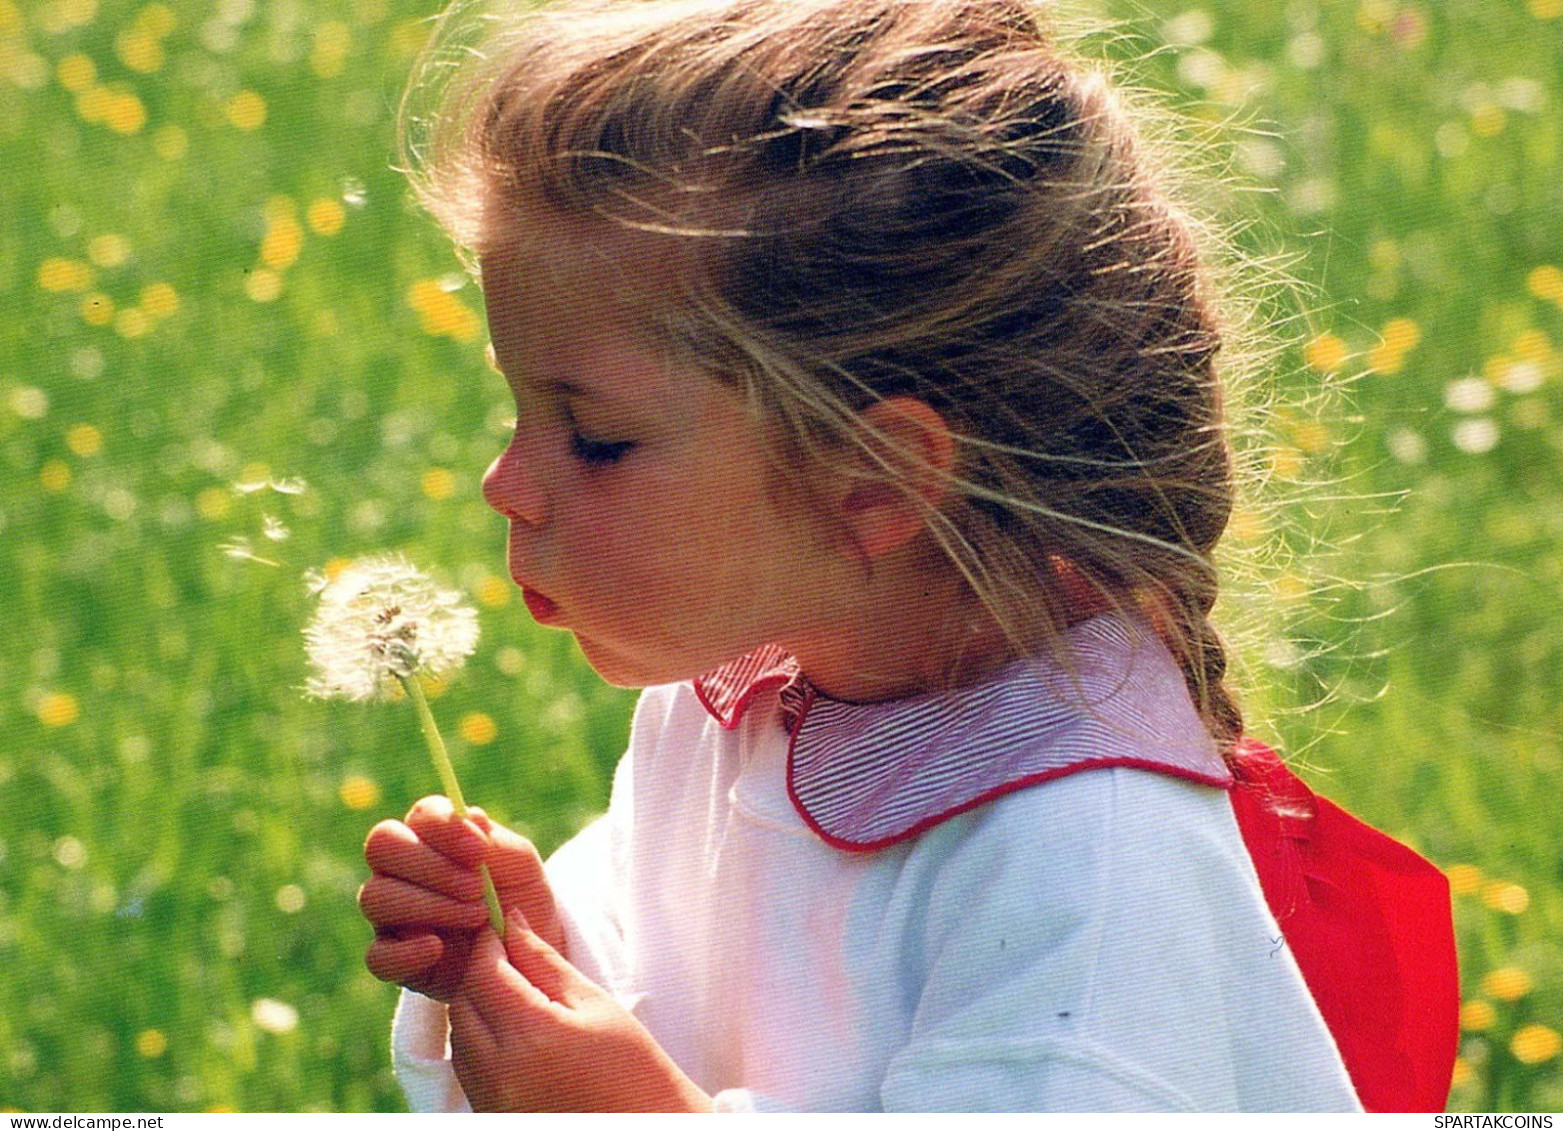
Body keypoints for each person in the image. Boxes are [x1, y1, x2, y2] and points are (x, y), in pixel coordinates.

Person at [357, 0, 1457, 1111]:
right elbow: (679, 1010)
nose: (505, 483)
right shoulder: (737, 705)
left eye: (595, 437)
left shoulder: (1085, 862)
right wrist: (531, 959)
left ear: (873, 481)